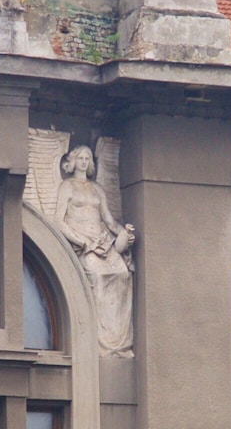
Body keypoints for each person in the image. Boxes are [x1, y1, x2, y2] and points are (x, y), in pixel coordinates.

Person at [56, 145, 136, 357]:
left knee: (122, 274)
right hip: (82, 242)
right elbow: (58, 221)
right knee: (98, 277)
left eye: (87, 158)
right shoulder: (67, 186)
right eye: (80, 157)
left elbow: (109, 220)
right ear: (72, 162)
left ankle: (118, 343)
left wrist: (125, 234)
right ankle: (100, 342)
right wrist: (81, 241)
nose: (83, 161)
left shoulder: (97, 189)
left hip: (103, 240)